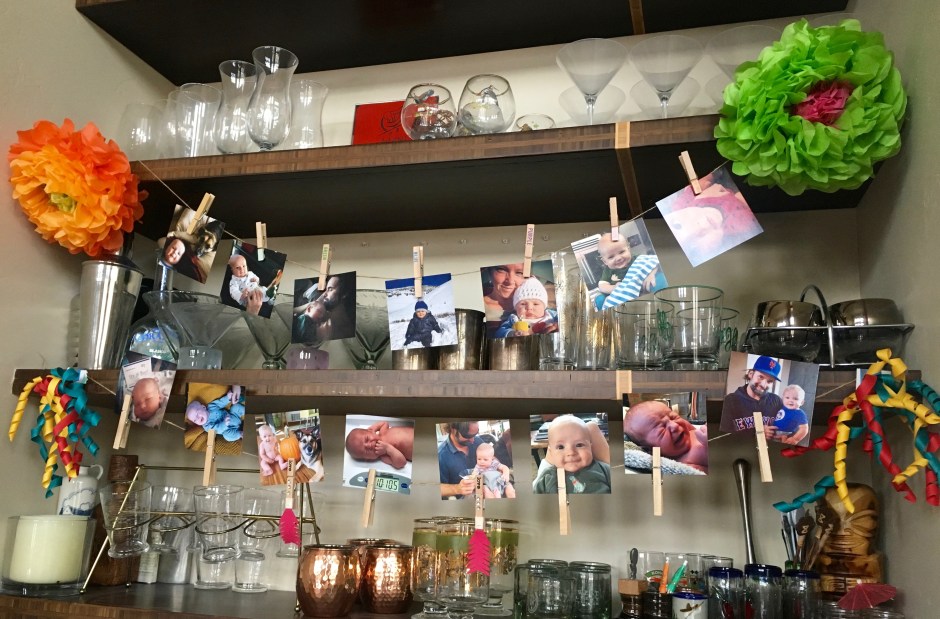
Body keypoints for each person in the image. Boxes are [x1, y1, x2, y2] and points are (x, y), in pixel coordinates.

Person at [533, 415, 612, 494]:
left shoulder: (604, 469)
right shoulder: (547, 477)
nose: (571, 452)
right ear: (551, 452)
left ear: (590, 447)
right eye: (560, 447)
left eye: (579, 445)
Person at [623, 400, 708, 472]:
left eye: (673, 417)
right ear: (650, 450)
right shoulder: (686, 464)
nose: (674, 425)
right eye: (661, 428)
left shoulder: (690, 430)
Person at [594, 233, 662, 310]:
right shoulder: (608, 270)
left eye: (621, 252)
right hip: (619, 297)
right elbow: (602, 286)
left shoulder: (638, 260)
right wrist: (614, 288)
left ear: (628, 249)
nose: (618, 258)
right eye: (611, 257)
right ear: (605, 261)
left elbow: (654, 263)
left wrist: (651, 274)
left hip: (638, 292)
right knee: (600, 299)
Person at [721, 355, 784, 432]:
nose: (763, 385)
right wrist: (758, 433)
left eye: (769, 381)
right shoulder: (730, 401)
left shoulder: (777, 401)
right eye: (760, 377)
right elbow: (723, 435)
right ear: (751, 374)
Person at [438, 421, 484, 499]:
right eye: (467, 436)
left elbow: (492, 458)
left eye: (475, 434)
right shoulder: (441, 456)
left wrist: (502, 468)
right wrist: (457, 489)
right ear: (453, 429)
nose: (472, 440)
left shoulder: (478, 442)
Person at [345, 420, 414, 469]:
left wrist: (374, 427)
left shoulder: (383, 432)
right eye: (365, 451)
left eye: (367, 439)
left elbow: (385, 423)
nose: (369, 446)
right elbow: (401, 463)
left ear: (370, 431)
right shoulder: (384, 456)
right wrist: (388, 449)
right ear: (368, 459)